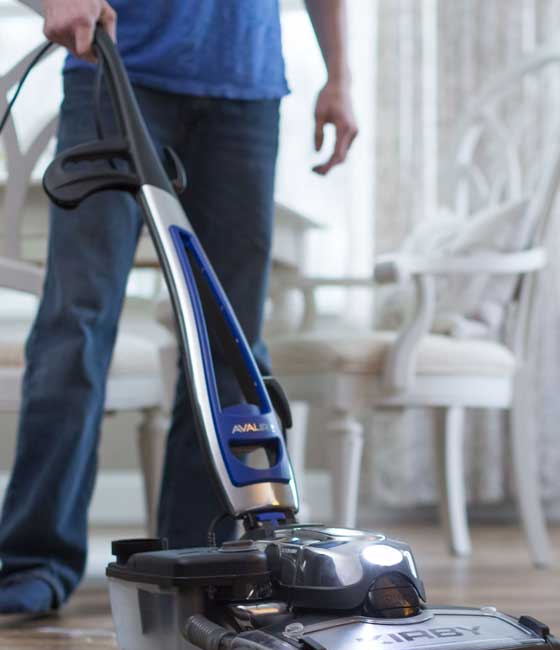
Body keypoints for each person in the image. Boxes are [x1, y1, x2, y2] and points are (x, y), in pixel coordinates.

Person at [0, 0, 358, 614]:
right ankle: (31, 560)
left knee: (226, 339)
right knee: (77, 320)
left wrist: (340, 76)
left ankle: (199, 560)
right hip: (115, 69)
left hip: (244, 88)